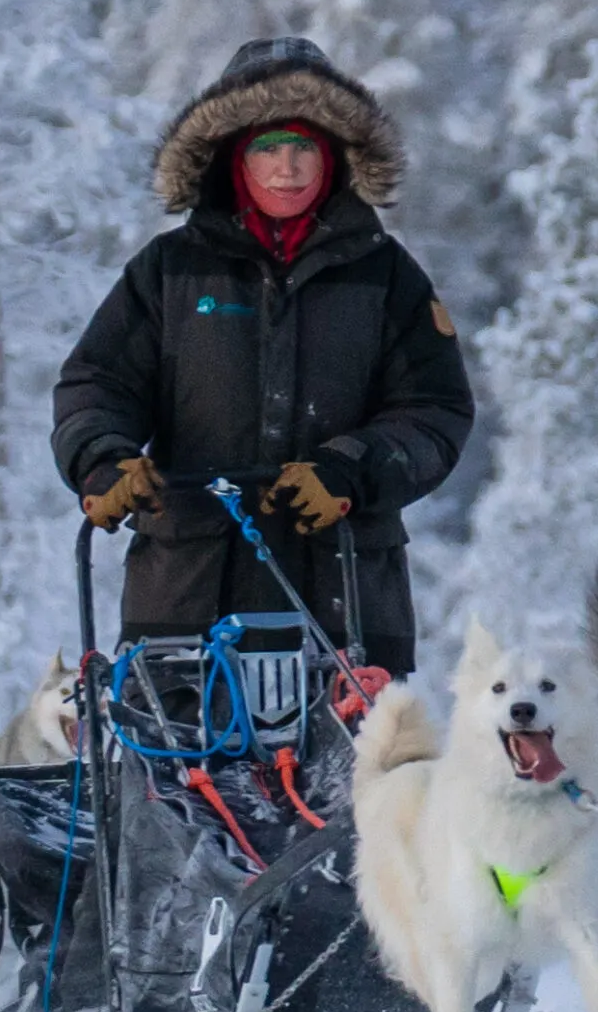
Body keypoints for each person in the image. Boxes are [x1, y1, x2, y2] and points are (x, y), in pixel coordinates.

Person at [52, 37, 474, 676]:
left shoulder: (388, 277)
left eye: (304, 147)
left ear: (334, 155)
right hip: (185, 611)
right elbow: (97, 384)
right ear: (232, 158)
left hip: (347, 614)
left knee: (357, 782)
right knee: (180, 780)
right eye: (267, 148)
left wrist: (348, 471)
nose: (288, 168)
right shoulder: (169, 272)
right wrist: (102, 461)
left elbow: (435, 414)